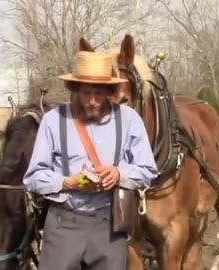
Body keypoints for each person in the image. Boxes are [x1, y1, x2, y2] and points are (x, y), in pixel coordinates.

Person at [23, 51, 158, 270]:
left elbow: (148, 171)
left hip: (109, 227)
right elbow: (33, 178)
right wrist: (68, 182)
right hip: (63, 224)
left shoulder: (129, 120)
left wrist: (119, 173)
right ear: (75, 89)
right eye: (86, 93)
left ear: (109, 91)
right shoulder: (53, 121)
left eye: (98, 93)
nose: (93, 101)